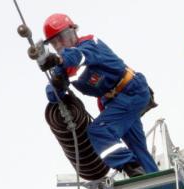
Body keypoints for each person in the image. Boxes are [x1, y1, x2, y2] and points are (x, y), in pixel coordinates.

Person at [40, 13, 158, 177]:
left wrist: (58, 61)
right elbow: (53, 96)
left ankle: (131, 167)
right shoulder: (63, 65)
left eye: (62, 37)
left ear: (73, 32)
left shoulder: (90, 43)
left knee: (99, 131)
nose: (60, 44)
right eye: (54, 42)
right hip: (115, 102)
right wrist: (57, 84)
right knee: (137, 147)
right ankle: (152, 176)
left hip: (131, 91)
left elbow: (78, 57)